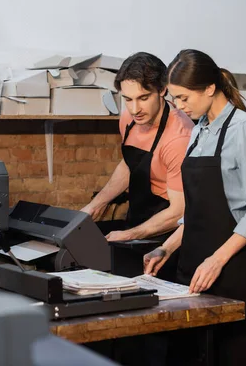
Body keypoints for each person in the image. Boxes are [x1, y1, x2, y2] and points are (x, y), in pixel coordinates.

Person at [144, 49, 246, 366]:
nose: (179, 107)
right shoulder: (198, 131)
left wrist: (216, 260)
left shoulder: (245, 128)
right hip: (194, 269)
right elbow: (197, 211)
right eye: (174, 99)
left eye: (184, 98)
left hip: (231, 270)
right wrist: (166, 247)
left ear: (210, 89)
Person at [80, 51, 194, 280]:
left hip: (169, 233)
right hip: (138, 217)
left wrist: (129, 234)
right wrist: (95, 205)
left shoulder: (178, 137)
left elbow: (179, 212)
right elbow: (130, 164)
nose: (134, 109)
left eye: (143, 98)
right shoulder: (130, 118)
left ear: (162, 90)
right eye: (127, 99)